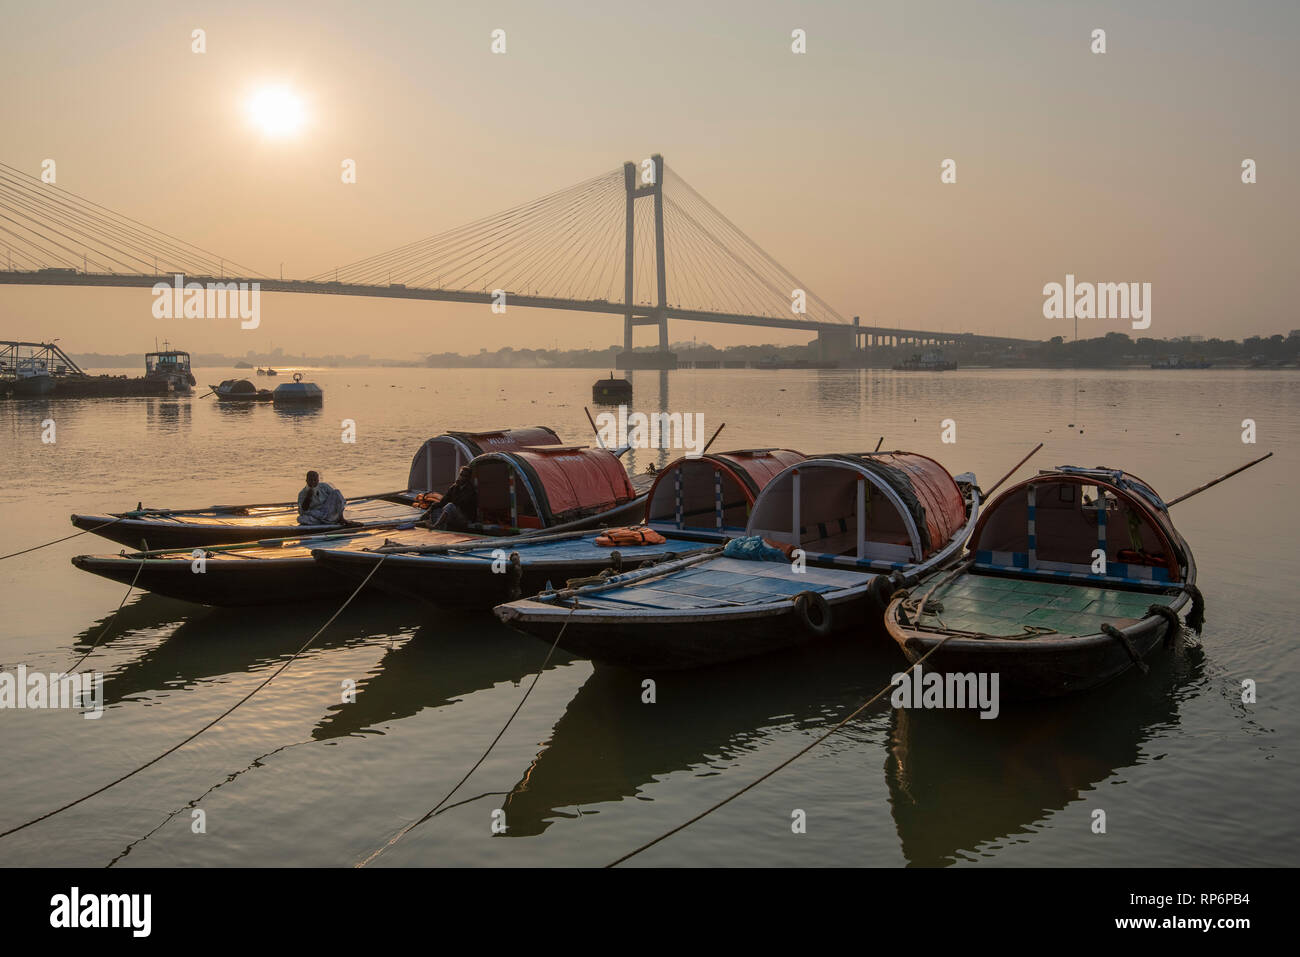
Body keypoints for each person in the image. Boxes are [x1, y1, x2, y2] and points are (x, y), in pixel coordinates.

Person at [431, 465, 477, 531]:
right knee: (436, 508)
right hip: (454, 514)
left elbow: (459, 503)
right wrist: (433, 506)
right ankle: (440, 528)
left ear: (468, 478)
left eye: (465, 476)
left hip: (465, 517)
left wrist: (456, 487)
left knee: (450, 506)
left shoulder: (470, 490)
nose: (462, 477)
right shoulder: (455, 487)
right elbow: (444, 500)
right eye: (461, 475)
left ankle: (436, 526)